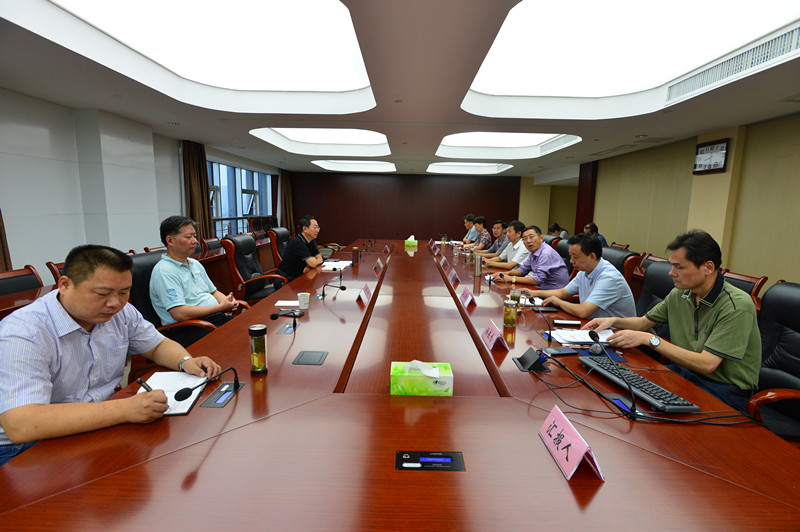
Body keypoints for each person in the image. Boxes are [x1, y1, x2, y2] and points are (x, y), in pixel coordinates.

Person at [0, 245, 221, 466]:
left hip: (94, 423)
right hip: (23, 447)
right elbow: (21, 425)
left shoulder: (120, 313)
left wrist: (186, 361)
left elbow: (157, 346)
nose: (115, 303)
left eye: (124, 292)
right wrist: (126, 409)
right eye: (102, 294)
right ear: (65, 285)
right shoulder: (24, 334)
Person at [582, 230, 760, 412]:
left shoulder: (736, 305)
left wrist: (650, 339)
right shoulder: (680, 294)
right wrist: (612, 320)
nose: (671, 273)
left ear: (707, 267)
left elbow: (707, 364)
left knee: (649, 414)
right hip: (685, 373)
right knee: (620, 386)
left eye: (679, 267)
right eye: (671, 265)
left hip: (723, 390)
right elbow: (644, 322)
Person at [150, 216, 245, 347]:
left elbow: (213, 292)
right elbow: (179, 313)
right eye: (188, 237)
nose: (195, 241)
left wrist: (227, 302)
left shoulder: (194, 263)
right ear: (170, 240)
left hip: (213, 318)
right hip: (189, 327)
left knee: (250, 325)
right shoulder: (164, 271)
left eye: (194, 236)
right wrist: (220, 308)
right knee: (237, 341)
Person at [520, 232, 635, 319]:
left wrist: (558, 302)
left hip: (615, 333)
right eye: (570, 256)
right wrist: (534, 293)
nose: (571, 261)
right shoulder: (584, 271)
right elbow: (563, 293)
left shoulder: (609, 277)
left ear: (592, 256)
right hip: (593, 326)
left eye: (575, 257)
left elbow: (583, 311)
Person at [493, 225, 569, 289]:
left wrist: (511, 278)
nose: (528, 241)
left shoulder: (546, 253)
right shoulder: (534, 252)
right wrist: (505, 274)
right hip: (540, 288)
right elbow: (523, 270)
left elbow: (537, 280)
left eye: (531, 237)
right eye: (525, 238)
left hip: (553, 292)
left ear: (541, 238)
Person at [276, 215, 324, 282]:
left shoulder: (311, 240)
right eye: (315, 227)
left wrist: (309, 265)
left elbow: (320, 259)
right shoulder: (297, 242)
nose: (318, 230)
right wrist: (311, 264)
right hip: (285, 279)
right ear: (305, 229)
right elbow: (313, 264)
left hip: (298, 275)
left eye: (318, 227)